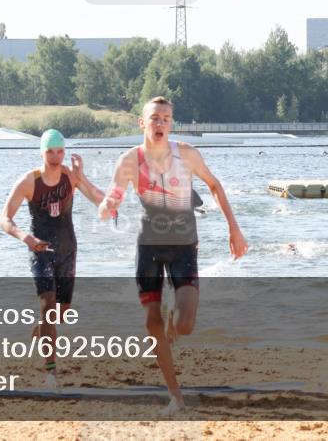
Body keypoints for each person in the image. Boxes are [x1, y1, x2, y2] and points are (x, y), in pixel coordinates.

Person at [98, 96, 249, 414]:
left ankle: (172, 317)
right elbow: (114, 194)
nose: (160, 124)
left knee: (185, 325)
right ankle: (175, 394)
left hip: (184, 247)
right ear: (142, 122)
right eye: (155, 118)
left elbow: (214, 185)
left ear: (171, 124)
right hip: (149, 248)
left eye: (166, 119)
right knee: (151, 323)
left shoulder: (187, 154)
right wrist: (108, 206)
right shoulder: (129, 160)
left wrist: (234, 229)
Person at [0, 128, 106, 389]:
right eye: (50, 152)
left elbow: (103, 203)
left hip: (67, 249)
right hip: (40, 250)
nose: (56, 157)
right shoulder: (29, 181)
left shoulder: (70, 177)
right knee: (47, 307)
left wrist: (81, 177)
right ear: (42, 153)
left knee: (61, 311)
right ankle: (51, 372)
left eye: (60, 152)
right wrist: (26, 238)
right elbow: (4, 219)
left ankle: (42, 329)